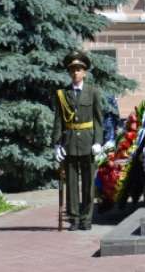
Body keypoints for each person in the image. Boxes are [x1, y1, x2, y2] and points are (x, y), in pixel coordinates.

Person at [53, 51, 103, 231]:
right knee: (72, 183)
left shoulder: (93, 92)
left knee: (88, 184)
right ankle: (74, 218)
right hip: (70, 143)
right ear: (69, 72)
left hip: (89, 143)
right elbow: (58, 120)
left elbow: (98, 120)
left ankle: (86, 218)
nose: (76, 73)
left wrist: (98, 141)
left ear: (85, 72)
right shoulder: (62, 94)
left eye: (79, 69)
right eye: (73, 69)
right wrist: (57, 144)